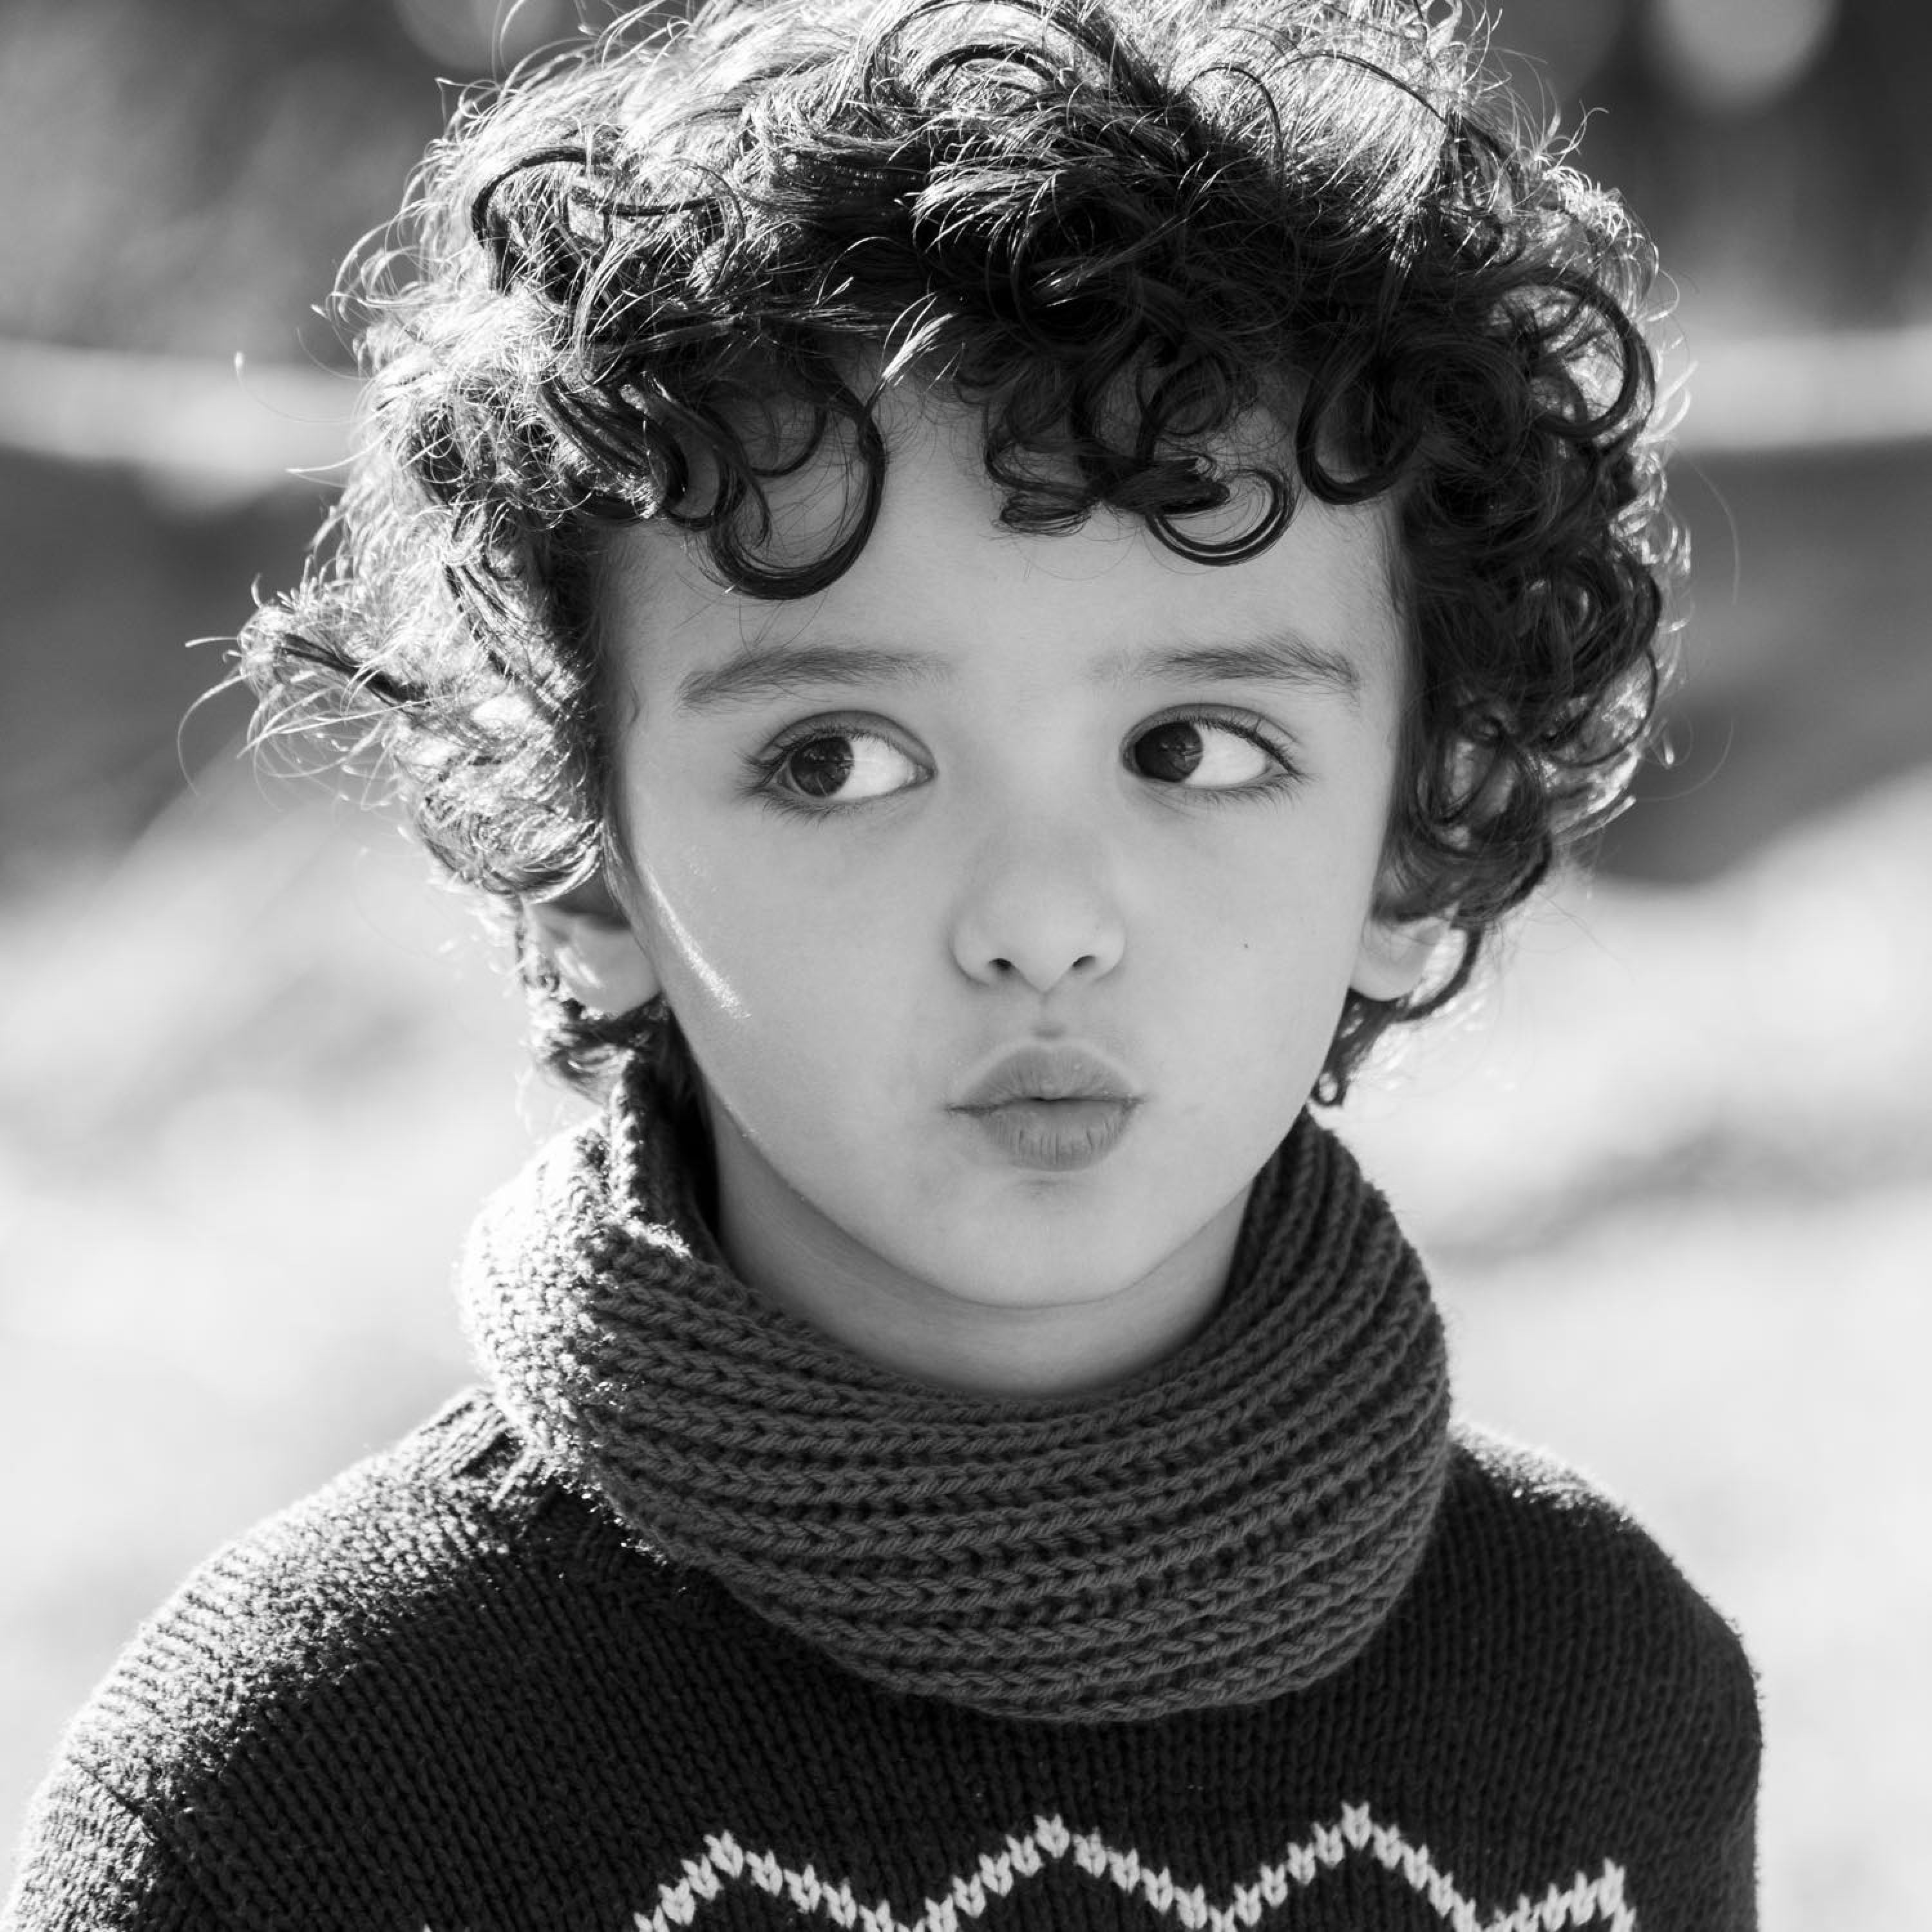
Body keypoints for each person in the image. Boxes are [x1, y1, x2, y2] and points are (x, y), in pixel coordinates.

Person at [3, 0, 1759, 1925]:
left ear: (1418, 838)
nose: (1038, 916)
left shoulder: (1602, 1702)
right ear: (588, 868)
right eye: (834, 761)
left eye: (1195, 749)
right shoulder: (303, 1791)